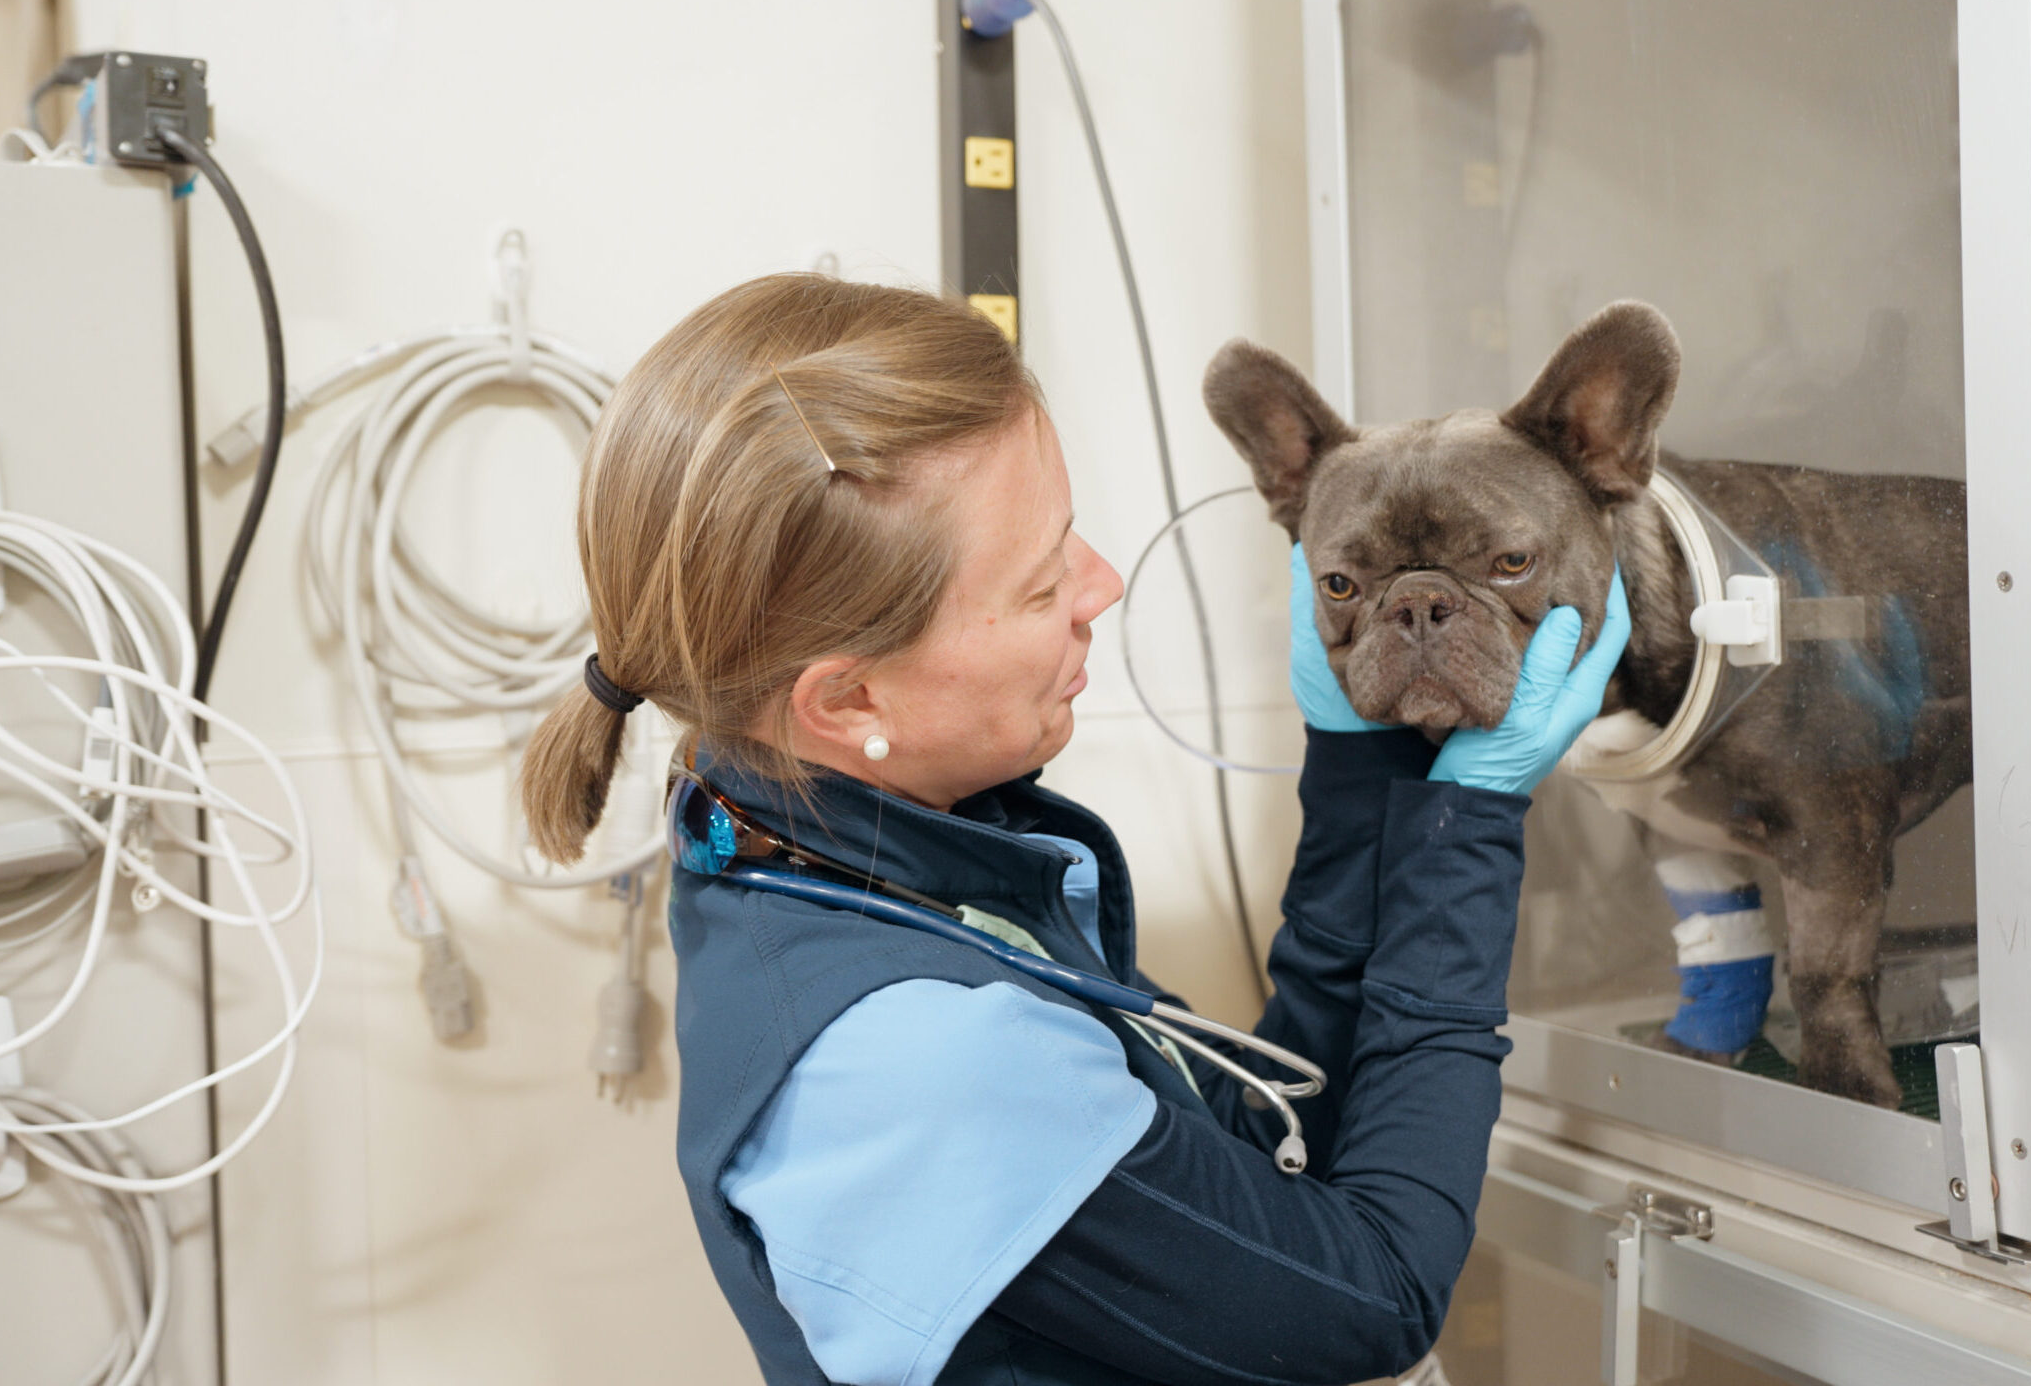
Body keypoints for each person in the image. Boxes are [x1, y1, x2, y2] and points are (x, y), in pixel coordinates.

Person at [520, 275, 1630, 1386]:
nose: (1099, 585)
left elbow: (1250, 1139)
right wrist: (1470, 818)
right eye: (1044, 575)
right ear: (848, 702)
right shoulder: (918, 1061)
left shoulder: (816, 838)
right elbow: (1373, 1297)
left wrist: (1359, 759)